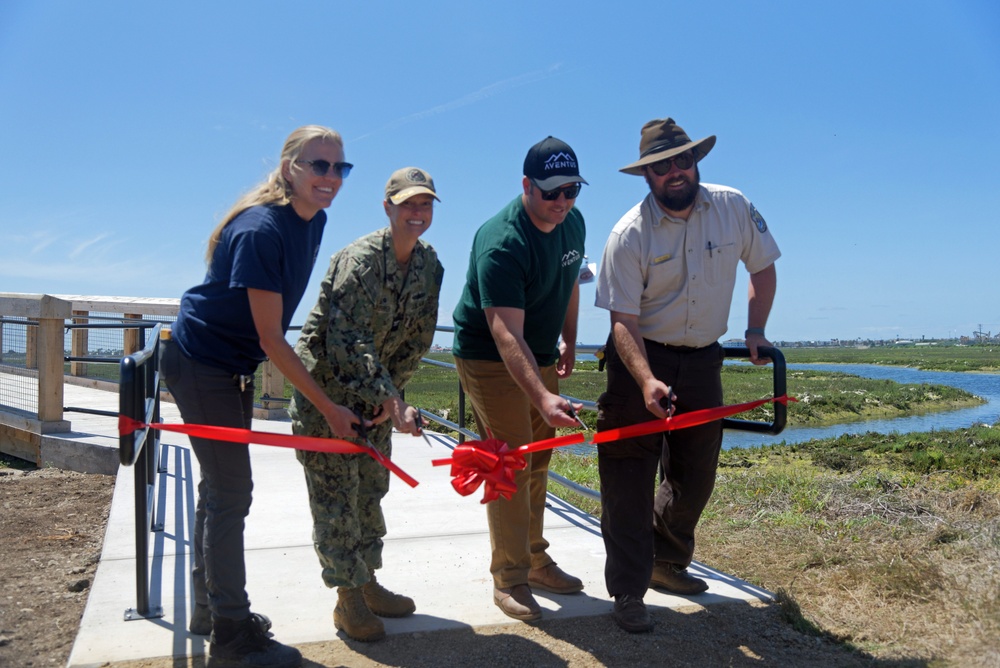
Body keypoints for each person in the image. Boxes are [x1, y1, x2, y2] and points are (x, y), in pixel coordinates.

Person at [160, 125, 359, 668]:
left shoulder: (313, 219)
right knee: (232, 492)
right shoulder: (260, 229)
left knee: (219, 490)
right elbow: (273, 337)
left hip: (229, 367)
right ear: (290, 166)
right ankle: (231, 635)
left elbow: (274, 327)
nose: (330, 178)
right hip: (202, 364)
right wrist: (329, 408)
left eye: (340, 168)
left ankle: (210, 610)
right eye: (319, 165)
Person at [594, 117, 780, 633]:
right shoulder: (628, 233)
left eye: (683, 160)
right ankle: (629, 591)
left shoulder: (733, 206)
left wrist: (756, 329)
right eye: (661, 166)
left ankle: (665, 561)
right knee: (628, 479)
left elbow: (762, 268)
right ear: (646, 175)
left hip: (703, 358)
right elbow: (622, 322)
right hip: (640, 359)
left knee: (695, 474)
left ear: (696, 161)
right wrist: (647, 379)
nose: (675, 171)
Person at [290, 167, 444, 642]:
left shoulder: (429, 265)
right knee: (336, 499)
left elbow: (415, 341)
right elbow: (345, 342)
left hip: (377, 397)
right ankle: (347, 599)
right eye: (408, 205)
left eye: (425, 205)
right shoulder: (358, 262)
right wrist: (390, 400)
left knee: (371, 490)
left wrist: (390, 400)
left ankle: (368, 580)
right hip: (327, 395)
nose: (417, 214)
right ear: (388, 208)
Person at [452, 136, 588, 622]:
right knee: (509, 463)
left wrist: (569, 339)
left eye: (571, 190)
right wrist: (543, 394)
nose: (561, 202)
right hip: (490, 357)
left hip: (541, 352)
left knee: (540, 458)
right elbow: (505, 332)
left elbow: (571, 282)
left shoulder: (572, 223)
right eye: (551, 192)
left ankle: (534, 558)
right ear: (527, 185)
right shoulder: (502, 241)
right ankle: (508, 577)